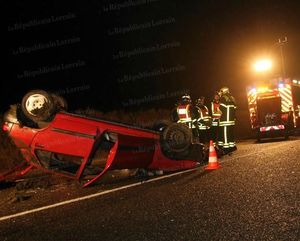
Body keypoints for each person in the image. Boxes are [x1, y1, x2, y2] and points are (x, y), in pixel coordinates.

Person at [217, 87, 237, 154]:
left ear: (223, 91)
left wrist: (218, 111)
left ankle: (226, 148)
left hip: (225, 120)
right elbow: (235, 108)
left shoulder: (223, 98)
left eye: (221, 92)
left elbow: (221, 108)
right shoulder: (232, 98)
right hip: (231, 120)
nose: (220, 93)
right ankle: (232, 146)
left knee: (225, 134)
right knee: (230, 133)